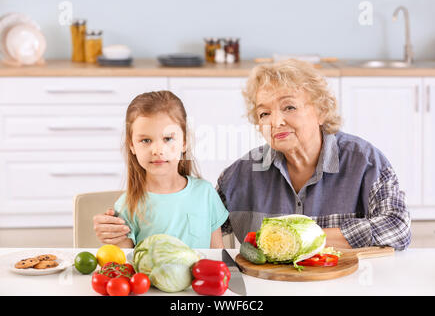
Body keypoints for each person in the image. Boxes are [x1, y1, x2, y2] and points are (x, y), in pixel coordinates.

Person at [217, 59, 411, 250]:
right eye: (264, 114)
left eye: (289, 107)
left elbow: (397, 227)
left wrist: (304, 237)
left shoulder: (364, 162)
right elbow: (202, 227)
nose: (275, 122)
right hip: (265, 282)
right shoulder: (237, 176)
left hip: (343, 281)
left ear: (322, 111)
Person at [93, 90, 228, 248]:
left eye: (168, 139)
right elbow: (125, 265)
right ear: (132, 145)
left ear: (184, 142)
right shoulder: (127, 206)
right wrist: (113, 236)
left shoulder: (205, 193)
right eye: (146, 140)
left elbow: (218, 257)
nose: (157, 150)